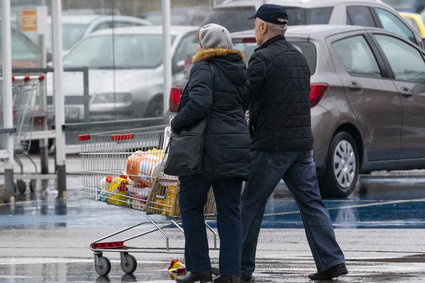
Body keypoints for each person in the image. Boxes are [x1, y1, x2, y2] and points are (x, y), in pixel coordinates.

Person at [240, 4, 348, 282]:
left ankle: (239, 267)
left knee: (251, 205)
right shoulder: (298, 57)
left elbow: (245, 96)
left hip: (270, 145)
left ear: (263, 27)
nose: (255, 30)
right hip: (301, 144)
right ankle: (332, 261)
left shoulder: (261, 58)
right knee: (312, 204)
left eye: (256, 25)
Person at [171, 23, 251, 283]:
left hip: (205, 151)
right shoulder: (239, 69)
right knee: (230, 211)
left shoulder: (203, 67)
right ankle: (231, 272)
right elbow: (245, 101)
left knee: (191, 205)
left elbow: (200, 103)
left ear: (205, 45)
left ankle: (199, 268)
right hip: (235, 148)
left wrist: (177, 122)